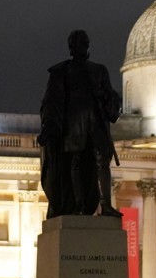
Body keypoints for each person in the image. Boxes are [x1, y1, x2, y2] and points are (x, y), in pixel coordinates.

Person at [39, 29, 123, 219]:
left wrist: (107, 98)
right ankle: (78, 204)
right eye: (76, 44)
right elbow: (52, 100)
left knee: (102, 161)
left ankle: (106, 205)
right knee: (76, 160)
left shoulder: (99, 70)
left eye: (83, 44)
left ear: (87, 47)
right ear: (71, 48)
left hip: (96, 121)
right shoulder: (62, 71)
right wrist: (50, 126)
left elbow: (111, 97)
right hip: (74, 122)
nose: (80, 48)